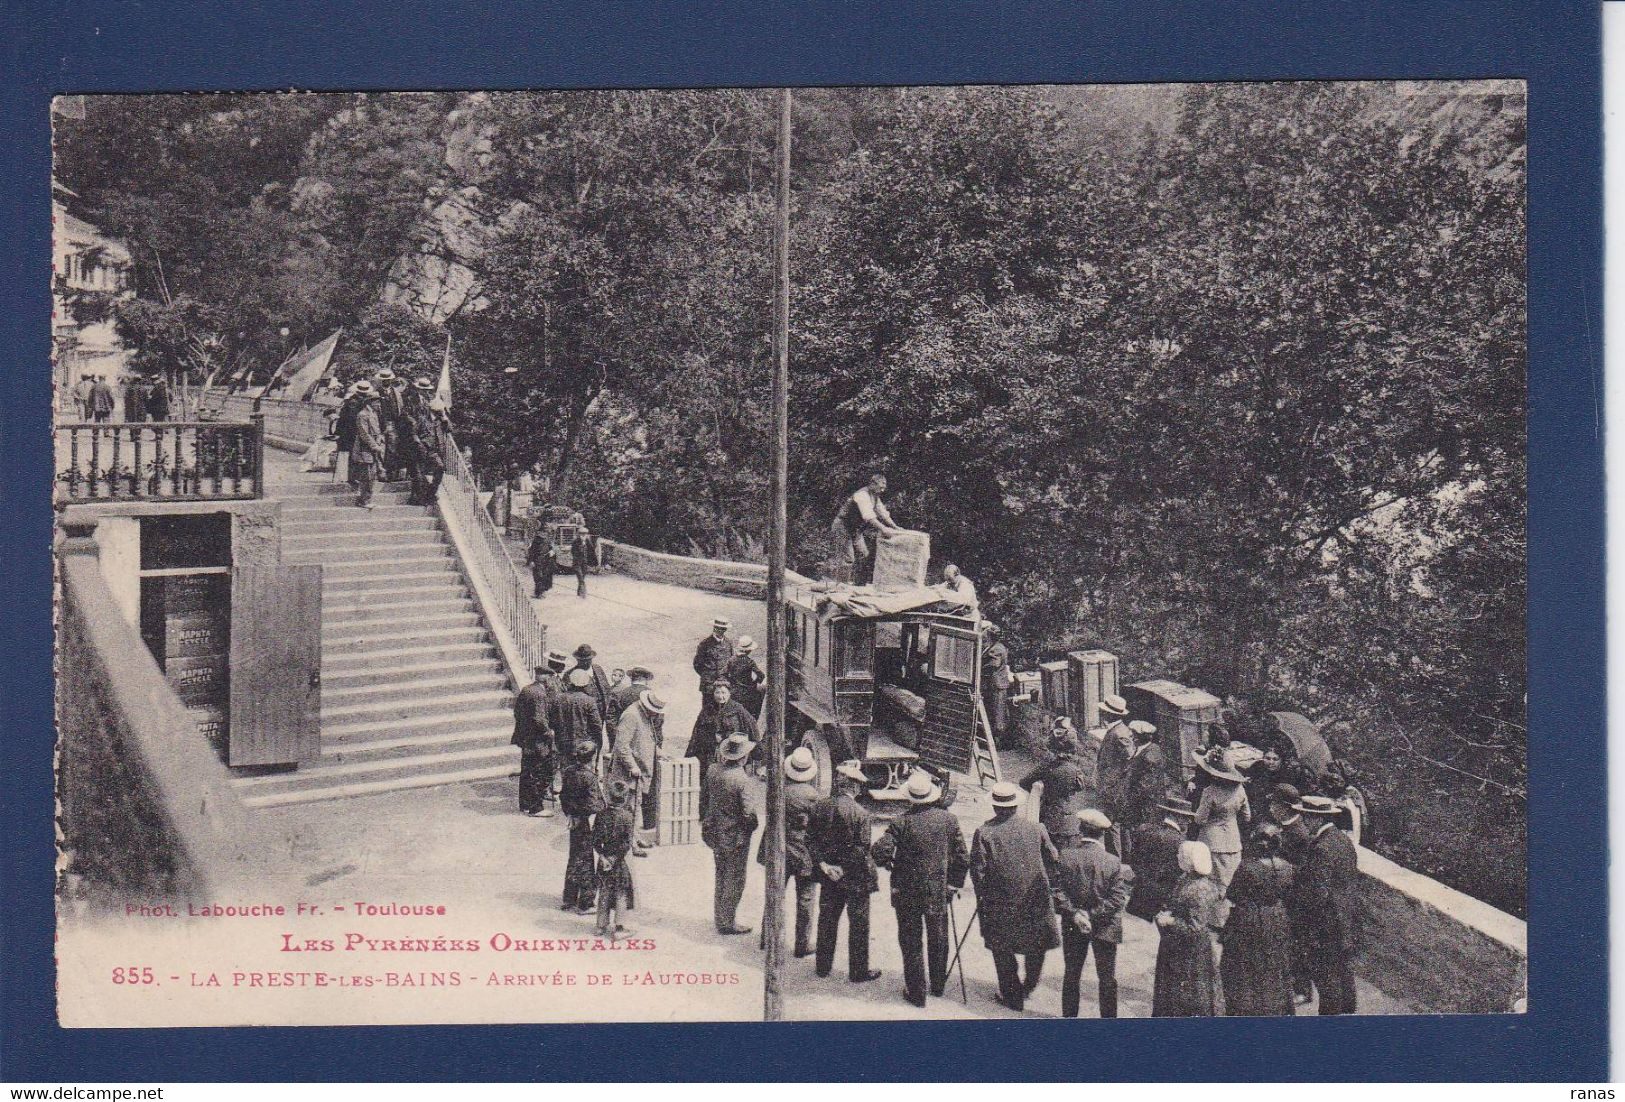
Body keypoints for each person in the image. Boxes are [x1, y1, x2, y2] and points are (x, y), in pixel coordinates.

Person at [871, 770, 969, 1008]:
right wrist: (953, 884)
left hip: (906, 892)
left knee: (911, 940)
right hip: (938, 891)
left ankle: (917, 993)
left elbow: (878, 851)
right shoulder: (949, 820)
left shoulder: (901, 822)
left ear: (910, 798)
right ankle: (937, 986)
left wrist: (890, 864)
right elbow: (963, 858)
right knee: (939, 937)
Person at [969, 782, 1061, 1012]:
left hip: (1000, 901)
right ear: (1016, 806)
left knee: (1002, 947)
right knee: (1036, 943)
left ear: (994, 806)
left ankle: (1012, 995)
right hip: (1035, 897)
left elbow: (977, 870)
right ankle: (1028, 986)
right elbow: (1054, 858)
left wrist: (984, 896)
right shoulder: (1036, 828)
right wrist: (1044, 883)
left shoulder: (985, 832)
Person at [1052, 808, 1134, 1018]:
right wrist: (1092, 915)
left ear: (1081, 830)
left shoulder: (1066, 856)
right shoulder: (1113, 862)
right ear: (1103, 834)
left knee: (1072, 974)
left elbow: (1057, 892)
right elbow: (1117, 900)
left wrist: (1077, 914)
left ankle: (1069, 1021)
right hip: (1105, 926)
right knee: (1107, 978)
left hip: (1073, 924)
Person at [809, 760, 882, 983]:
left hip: (829, 876)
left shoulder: (819, 807)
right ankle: (858, 971)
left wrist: (826, 867)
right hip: (855, 878)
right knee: (859, 924)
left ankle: (822, 966)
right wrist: (844, 868)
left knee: (827, 920)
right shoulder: (861, 813)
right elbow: (862, 848)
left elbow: (810, 840)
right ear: (854, 787)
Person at [1292, 794, 1361, 1014]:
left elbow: (1317, 894)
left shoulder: (1321, 848)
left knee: (1327, 976)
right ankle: (1348, 1015)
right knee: (1344, 971)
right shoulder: (1342, 840)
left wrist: (1305, 923)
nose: (1302, 822)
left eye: (1305, 817)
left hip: (1327, 924)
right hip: (1346, 919)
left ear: (1317, 820)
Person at [1221, 822, 1297, 1016]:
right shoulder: (1287, 868)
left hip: (1249, 920)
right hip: (1277, 919)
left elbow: (1233, 894)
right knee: (1275, 964)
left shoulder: (1248, 868)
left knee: (1243, 966)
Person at [755, 746, 821, 958]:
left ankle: (768, 937)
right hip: (803, 851)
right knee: (806, 898)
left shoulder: (778, 790)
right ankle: (802, 945)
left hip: (777, 847)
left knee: (775, 893)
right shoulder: (813, 796)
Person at [1151, 841, 1225, 1017]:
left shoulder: (1199, 888)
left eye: (1181, 855)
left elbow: (1195, 927)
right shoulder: (1187, 879)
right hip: (1178, 947)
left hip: (1190, 953)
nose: (1178, 857)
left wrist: (1170, 921)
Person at [701, 733, 759, 935]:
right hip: (735, 837)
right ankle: (727, 921)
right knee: (735, 879)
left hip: (715, 832)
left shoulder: (712, 770)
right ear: (743, 757)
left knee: (721, 874)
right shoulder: (742, 780)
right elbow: (748, 814)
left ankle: (720, 917)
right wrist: (752, 826)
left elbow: (705, 799)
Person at [688, 682, 759, 816]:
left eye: (723, 692)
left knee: (732, 785)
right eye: (717, 693)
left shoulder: (738, 710)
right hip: (711, 754)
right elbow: (697, 733)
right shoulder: (707, 710)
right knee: (710, 782)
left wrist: (752, 751)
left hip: (733, 753)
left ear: (729, 693)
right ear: (713, 694)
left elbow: (753, 729)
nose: (720, 696)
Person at [609, 690, 664, 855]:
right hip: (629, 774)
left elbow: (646, 740)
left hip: (639, 774)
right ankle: (630, 843)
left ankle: (634, 837)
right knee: (629, 809)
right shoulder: (631, 715)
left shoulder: (645, 715)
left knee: (635, 807)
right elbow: (622, 745)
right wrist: (632, 766)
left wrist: (660, 753)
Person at [1018, 725, 1092, 843]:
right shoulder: (1075, 770)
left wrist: (1042, 791)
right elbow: (1080, 786)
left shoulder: (1045, 768)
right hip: (1071, 820)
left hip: (1050, 819)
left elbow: (1023, 782)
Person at [1127, 795, 1196, 922]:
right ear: (1177, 816)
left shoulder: (1146, 831)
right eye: (1187, 817)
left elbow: (1133, 859)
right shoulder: (1181, 842)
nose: (1189, 821)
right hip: (1161, 904)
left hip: (1138, 897)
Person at [1192, 745, 1250, 888]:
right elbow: (1247, 816)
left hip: (1211, 840)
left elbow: (1200, 819)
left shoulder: (1210, 791)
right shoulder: (1240, 790)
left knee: (1211, 881)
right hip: (1233, 840)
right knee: (1230, 880)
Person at [559, 740, 606, 914]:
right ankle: (586, 902)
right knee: (586, 860)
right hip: (585, 821)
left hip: (573, 819)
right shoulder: (589, 777)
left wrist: (571, 814)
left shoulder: (569, 771)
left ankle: (569, 898)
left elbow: (563, 796)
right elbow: (596, 805)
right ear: (592, 757)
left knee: (574, 858)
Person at [830, 473, 901, 585]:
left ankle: (859, 586)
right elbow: (868, 517)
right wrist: (883, 528)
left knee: (864, 555)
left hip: (855, 529)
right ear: (873, 484)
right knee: (847, 558)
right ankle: (841, 588)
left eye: (883, 488)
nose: (882, 490)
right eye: (880, 487)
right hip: (842, 526)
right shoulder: (862, 495)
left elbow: (883, 513)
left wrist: (895, 527)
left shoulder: (875, 496)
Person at [593, 778, 638, 938]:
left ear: (609, 796)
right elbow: (626, 844)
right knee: (621, 893)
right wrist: (613, 859)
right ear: (625, 798)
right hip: (619, 862)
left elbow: (595, 840)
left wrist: (603, 856)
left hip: (603, 859)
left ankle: (600, 926)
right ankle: (619, 928)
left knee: (604, 893)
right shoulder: (627, 817)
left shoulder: (601, 815)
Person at [510, 664, 557, 817]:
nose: (551, 681)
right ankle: (536, 807)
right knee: (537, 772)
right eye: (550, 678)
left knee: (526, 771)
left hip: (526, 739)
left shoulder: (527, 690)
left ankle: (524, 803)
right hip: (537, 741)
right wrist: (548, 732)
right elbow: (539, 719)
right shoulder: (540, 694)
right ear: (546, 678)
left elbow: (517, 712)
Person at [1118, 720, 1167, 855]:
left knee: (1145, 836)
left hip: (1146, 805)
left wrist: (1129, 800)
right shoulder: (1143, 749)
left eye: (1133, 734)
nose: (1131, 737)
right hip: (1140, 803)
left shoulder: (1150, 754)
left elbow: (1145, 785)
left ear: (1140, 737)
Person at [403, 377, 447, 505]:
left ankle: (430, 493)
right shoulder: (411, 400)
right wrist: (413, 424)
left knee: (439, 467)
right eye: (422, 390)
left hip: (431, 444)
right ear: (418, 389)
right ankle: (418, 498)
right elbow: (406, 416)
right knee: (418, 473)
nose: (425, 392)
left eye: (426, 390)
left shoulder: (430, 401)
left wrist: (443, 417)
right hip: (419, 441)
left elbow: (447, 427)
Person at [550, 667, 606, 767]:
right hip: (583, 746)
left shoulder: (558, 699)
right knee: (584, 773)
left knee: (566, 773)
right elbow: (597, 726)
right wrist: (597, 743)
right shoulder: (589, 700)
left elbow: (552, 722)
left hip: (563, 744)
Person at [1095, 694, 1134, 823]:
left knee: (1111, 826)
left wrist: (1115, 782)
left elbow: (1130, 759)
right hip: (1109, 786)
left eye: (1104, 711)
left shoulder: (1119, 733)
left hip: (1113, 789)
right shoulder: (1116, 730)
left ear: (1110, 714)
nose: (1102, 713)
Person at [349, 380, 385, 509]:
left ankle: (366, 499)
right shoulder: (362, 415)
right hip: (364, 450)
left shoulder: (373, 414)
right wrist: (375, 446)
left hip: (372, 450)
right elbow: (364, 434)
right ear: (370, 402)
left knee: (372, 475)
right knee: (367, 476)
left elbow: (376, 431)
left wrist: (380, 439)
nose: (379, 404)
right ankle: (363, 500)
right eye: (377, 402)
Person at [979, 624, 1012, 746]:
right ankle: (995, 740)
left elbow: (994, 664)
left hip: (997, 684)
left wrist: (980, 667)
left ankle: (998, 742)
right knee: (995, 711)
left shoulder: (996, 648)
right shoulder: (995, 647)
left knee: (998, 712)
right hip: (996, 684)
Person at [373, 368, 407, 481]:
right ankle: (381, 473)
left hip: (393, 423)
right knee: (380, 448)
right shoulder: (376, 392)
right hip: (379, 424)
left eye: (388, 380)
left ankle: (391, 473)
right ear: (381, 380)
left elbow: (400, 408)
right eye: (384, 380)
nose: (386, 382)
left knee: (392, 448)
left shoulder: (396, 393)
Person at [569, 644, 615, 728]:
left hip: (601, 712)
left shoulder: (598, 669)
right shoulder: (571, 674)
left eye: (588, 660)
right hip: (584, 716)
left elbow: (606, 688)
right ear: (577, 659)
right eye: (582, 660)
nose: (585, 662)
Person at [725, 636, 766, 724]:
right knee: (750, 713)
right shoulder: (750, 662)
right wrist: (754, 683)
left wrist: (732, 682)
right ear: (748, 650)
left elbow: (724, 674)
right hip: (748, 693)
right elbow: (761, 675)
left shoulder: (731, 660)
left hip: (734, 692)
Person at [693, 617, 734, 696]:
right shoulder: (704, 644)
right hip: (708, 686)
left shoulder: (729, 643)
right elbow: (697, 664)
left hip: (724, 685)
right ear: (714, 628)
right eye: (718, 628)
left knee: (724, 708)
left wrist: (725, 680)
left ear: (725, 629)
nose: (720, 630)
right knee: (708, 708)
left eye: (723, 629)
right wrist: (708, 678)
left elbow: (731, 663)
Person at [526, 526, 557, 599]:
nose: (544, 534)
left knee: (543, 577)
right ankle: (538, 593)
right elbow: (531, 551)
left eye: (545, 532)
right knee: (538, 577)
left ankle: (540, 593)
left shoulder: (547, 539)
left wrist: (552, 551)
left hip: (546, 560)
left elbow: (551, 548)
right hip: (537, 560)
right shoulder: (536, 540)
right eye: (543, 532)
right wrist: (531, 561)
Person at [572, 527, 593, 598]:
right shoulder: (575, 542)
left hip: (584, 562)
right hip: (577, 562)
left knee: (583, 577)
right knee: (580, 577)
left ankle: (579, 591)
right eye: (582, 534)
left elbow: (591, 550)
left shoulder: (587, 541)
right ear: (579, 534)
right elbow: (573, 552)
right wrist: (582, 545)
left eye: (585, 534)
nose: (584, 535)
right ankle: (583, 593)